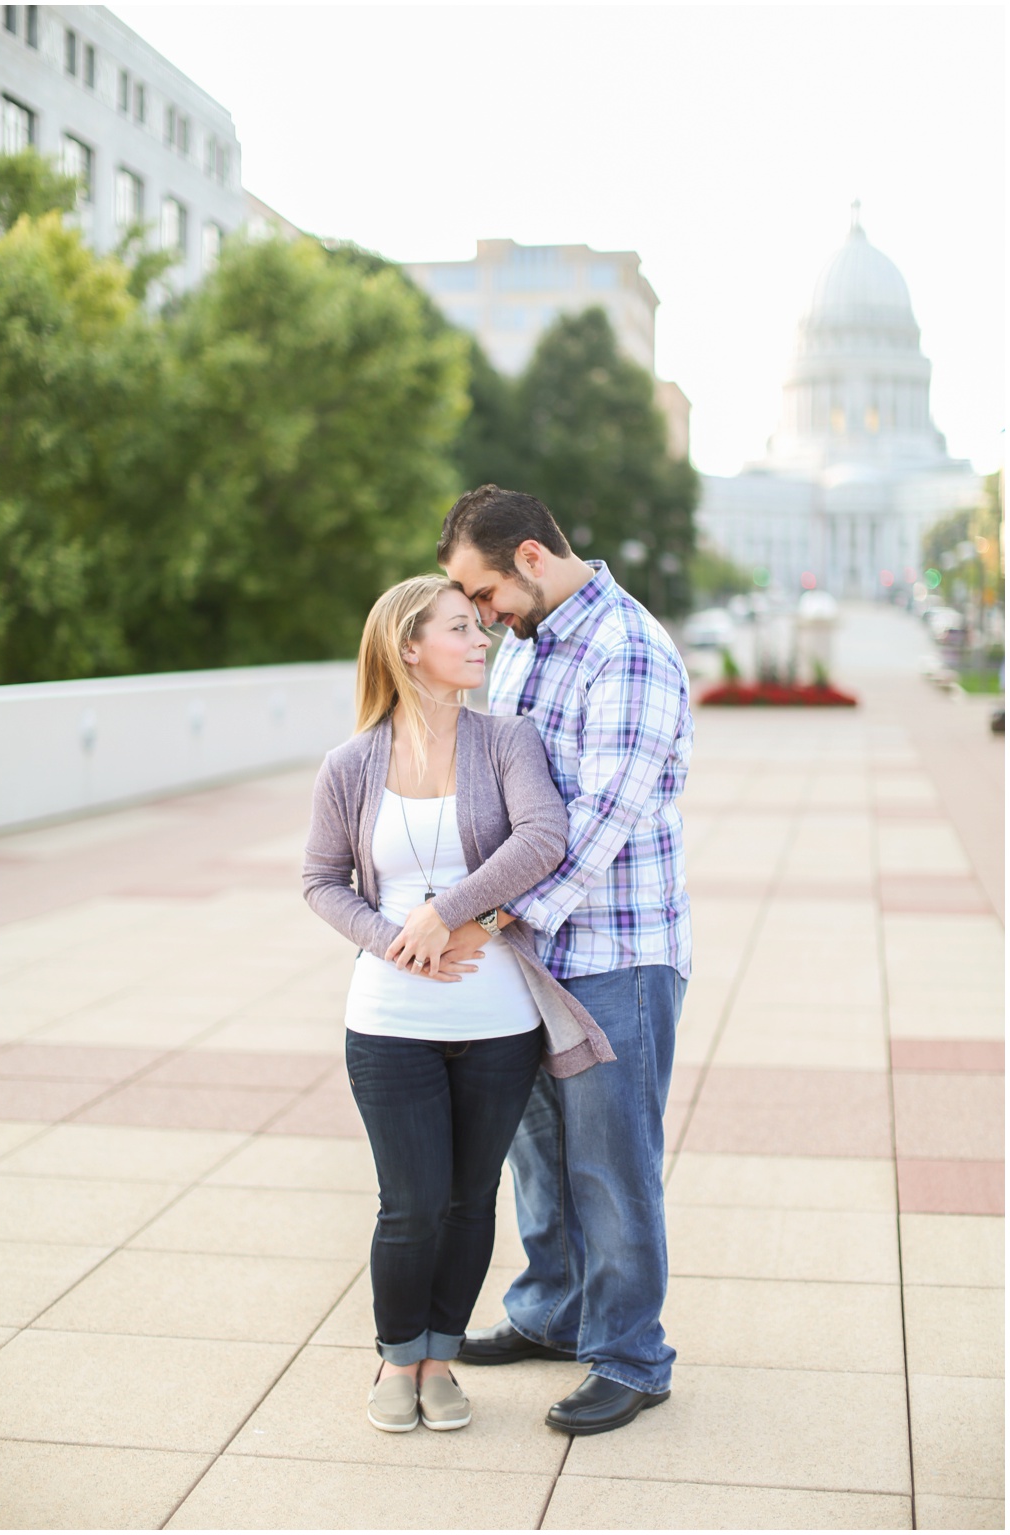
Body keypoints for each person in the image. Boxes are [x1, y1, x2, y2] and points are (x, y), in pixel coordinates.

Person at [303, 574, 614, 1435]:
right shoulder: (351, 764)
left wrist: (455, 913)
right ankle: (397, 1357)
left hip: (498, 1025)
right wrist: (393, 937)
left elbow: (543, 837)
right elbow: (319, 880)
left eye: (481, 626)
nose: (483, 638)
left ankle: (441, 1358)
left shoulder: (506, 741)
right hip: (390, 1022)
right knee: (409, 1203)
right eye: (460, 628)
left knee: (472, 1199)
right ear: (410, 646)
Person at [436, 483, 694, 1437]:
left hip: (616, 952)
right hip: (528, 948)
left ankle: (631, 1354)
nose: (480, 616)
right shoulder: (524, 647)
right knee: (537, 1150)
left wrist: (489, 914)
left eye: (485, 594)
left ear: (532, 561)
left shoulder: (627, 651)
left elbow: (598, 830)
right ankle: (552, 1310)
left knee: (612, 1165)